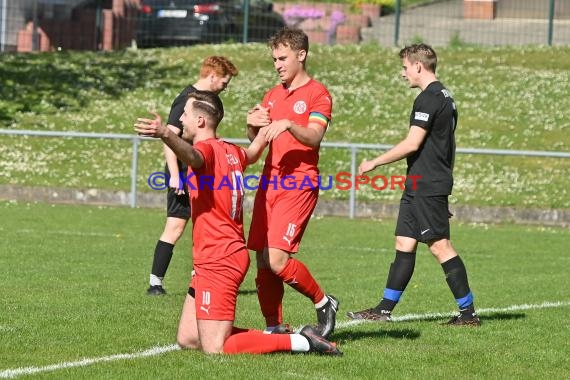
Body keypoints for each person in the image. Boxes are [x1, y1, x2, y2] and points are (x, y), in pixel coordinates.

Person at [134, 90, 342, 355]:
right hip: (217, 255)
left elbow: (195, 158)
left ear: (200, 121)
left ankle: (303, 341)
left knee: (214, 348)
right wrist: (260, 127)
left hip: (219, 259)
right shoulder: (230, 151)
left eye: (185, 114)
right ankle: (278, 334)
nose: (181, 119)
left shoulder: (205, 152)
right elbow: (253, 152)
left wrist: (166, 134)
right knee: (188, 338)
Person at [346, 43, 480, 326]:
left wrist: (375, 162)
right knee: (404, 242)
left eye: (405, 67)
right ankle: (383, 310)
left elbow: (412, 143)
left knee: (439, 246)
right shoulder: (445, 95)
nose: (403, 73)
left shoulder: (429, 99)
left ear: (418, 66)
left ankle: (468, 313)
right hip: (419, 182)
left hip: (428, 184)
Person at [245, 27, 339, 339]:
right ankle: (273, 325)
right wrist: (252, 125)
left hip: (298, 184)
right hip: (268, 184)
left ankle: (324, 303)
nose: (277, 65)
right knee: (261, 257)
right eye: (274, 59)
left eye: (282, 58)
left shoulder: (318, 94)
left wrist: (288, 124)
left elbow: (313, 137)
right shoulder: (272, 95)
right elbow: (257, 144)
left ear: (302, 55)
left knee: (277, 258)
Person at [147, 56, 238, 295]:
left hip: (201, 168)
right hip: (184, 171)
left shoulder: (211, 101)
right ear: (212, 76)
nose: (225, 87)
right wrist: (175, 176)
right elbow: (169, 139)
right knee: (175, 226)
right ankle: (155, 283)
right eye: (224, 82)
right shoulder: (186, 100)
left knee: (206, 222)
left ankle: (201, 277)